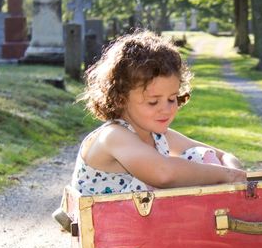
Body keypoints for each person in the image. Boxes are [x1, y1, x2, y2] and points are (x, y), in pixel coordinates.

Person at [70, 30, 246, 196]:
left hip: (142, 221)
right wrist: (228, 176)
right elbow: (164, 174)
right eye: (153, 102)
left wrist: (235, 172)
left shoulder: (158, 135)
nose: (167, 109)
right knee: (185, 171)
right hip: (107, 223)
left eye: (172, 99)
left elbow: (222, 156)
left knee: (200, 156)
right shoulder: (113, 135)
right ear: (120, 99)